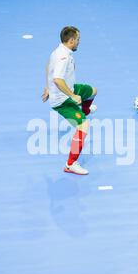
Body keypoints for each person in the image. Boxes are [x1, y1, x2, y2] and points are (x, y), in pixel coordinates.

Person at [42, 26, 97, 175]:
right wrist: (72, 96)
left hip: (70, 88)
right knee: (84, 125)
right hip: (62, 100)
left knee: (92, 92)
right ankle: (70, 164)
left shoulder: (59, 51)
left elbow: (48, 66)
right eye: (78, 40)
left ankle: (84, 110)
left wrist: (47, 87)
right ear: (71, 40)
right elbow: (58, 79)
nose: (79, 42)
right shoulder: (64, 57)